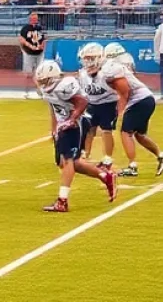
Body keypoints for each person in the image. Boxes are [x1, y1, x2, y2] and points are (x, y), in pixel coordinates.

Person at [34, 61, 117, 212]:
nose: (42, 84)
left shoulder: (64, 85)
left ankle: (62, 201)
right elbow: (53, 108)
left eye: (44, 80)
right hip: (64, 123)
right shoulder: (47, 90)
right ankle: (105, 176)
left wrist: (72, 119)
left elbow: (83, 102)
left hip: (77, 122)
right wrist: (54, 129)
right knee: (71, 163)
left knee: (68, 161)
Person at [99, 44, 163, 179]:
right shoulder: (116, 65)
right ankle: (162, 156)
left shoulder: (112, 69)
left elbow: (125, 93)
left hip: (139, 100)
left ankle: (132, 166)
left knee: (126, 133)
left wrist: (119, 113)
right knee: (140, 135)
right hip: (145, 99)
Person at [77, 42, 117, 168]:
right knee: (89, 129)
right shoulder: (83, 73)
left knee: (106, 129)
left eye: (91, 58)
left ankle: (108, 157)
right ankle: (85, 153)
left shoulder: (107, 72)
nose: (88, 61)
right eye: (86, 58)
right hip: (92, 103)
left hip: (108, 103)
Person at [19, 12, 45, 97]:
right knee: (28, 74)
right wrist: (30, 46)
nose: (35, 20)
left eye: (36, 19)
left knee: (39, 73)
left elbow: (44, 39)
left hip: (39, 53)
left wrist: (42, 46)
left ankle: (39, 89)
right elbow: (21, 39)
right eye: (34, 19)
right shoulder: (25, 28)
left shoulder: (39, 28)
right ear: (30, 19)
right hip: (29, 53)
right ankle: (26, 91)